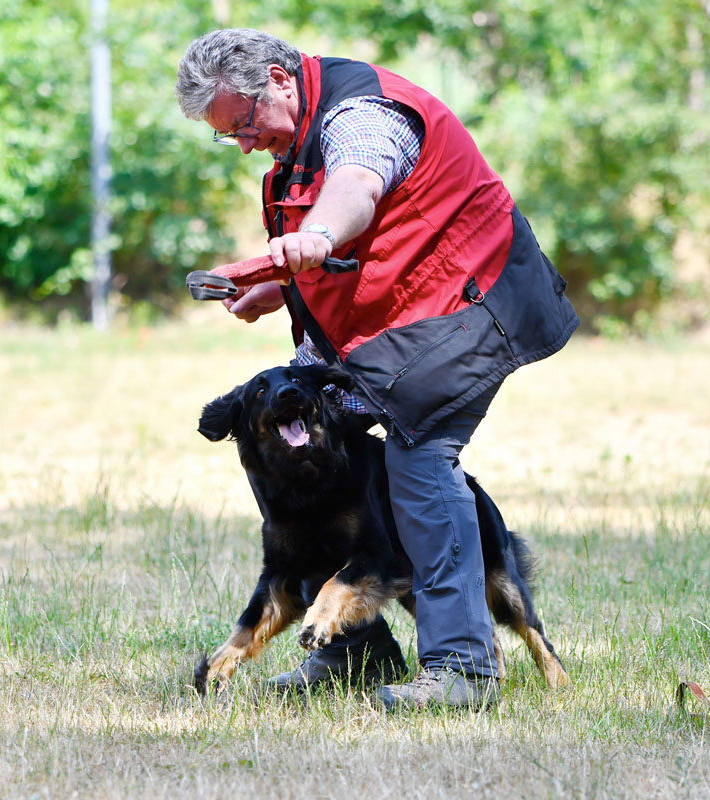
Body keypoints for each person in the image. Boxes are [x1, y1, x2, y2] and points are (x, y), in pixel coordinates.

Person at [176, 29, 578, 712]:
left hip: (472, 307)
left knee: (420, 460)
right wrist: (284, 288)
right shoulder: (290, 148)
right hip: (390, 332)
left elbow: (357, 190)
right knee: (300, 456)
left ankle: (463, 670)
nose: (244, 144)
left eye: (243, 124)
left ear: (277, 79)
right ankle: (351, 654)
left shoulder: (363, 115)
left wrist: (317, 237)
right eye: (228, 136)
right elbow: (357, 254)